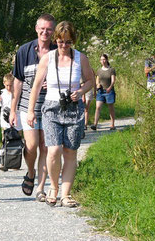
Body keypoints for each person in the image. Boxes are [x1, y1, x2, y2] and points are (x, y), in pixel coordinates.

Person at [27, 21, 94, 207]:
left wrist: (80, 91)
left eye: (68, 42)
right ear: (55, 40)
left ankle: (66, 194)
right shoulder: (48, 58)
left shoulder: (81, 59)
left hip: (73, 109)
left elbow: (90, 80)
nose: (64, 46)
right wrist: (31, 111)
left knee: (70, 151)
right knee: (53, 149)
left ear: (73, 42)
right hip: (51, 108)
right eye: (60, 42)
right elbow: (37, 85)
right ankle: (54, 187)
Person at [9, 13, 57, 202]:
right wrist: (13, 110)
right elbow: (18, 82)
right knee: (31, 146)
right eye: (42, 29)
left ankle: (40, 188)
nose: (45, 32)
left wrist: (52, 82)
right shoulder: (24, 51)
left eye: (49, 29)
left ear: (53, 31)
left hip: (50, 105)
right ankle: (31, 171)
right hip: (27, 105)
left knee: (45, 146)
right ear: (36, 29)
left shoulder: (57, 51)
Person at [0, 73, 22, 171]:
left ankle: (16, 160)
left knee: (17, 140)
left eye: (11, 85)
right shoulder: (2, 93)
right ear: (4, 84)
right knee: (5, 140)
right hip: (5, 121)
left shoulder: (18, 92)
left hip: (17, 120)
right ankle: (4, 161)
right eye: (7, 85)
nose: (9, 87)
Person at [91, 54, 116, 131]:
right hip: (101, 91)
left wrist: (110, 87)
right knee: (98, 107)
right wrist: (97, 84)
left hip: (109, 90)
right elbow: (97, 80)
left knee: (110, 108)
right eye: (101, 59)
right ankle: (95, 124)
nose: (103, 61)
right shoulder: (99, 70)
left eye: (104, 59)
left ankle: (112, 124)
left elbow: (113, 80)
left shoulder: (111, 69)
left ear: (107, 60)